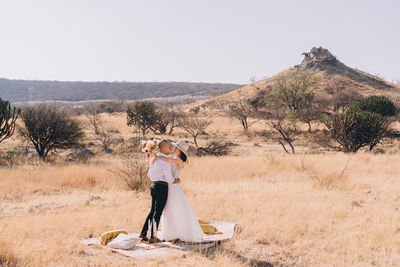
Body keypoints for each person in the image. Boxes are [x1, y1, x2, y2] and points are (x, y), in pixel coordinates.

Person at [152, 140, 205, 242]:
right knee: (169, 210)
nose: (173, 149)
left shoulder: (179, 160)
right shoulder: (175, 158)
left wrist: (157, 157)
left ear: (179, 150)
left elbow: (166, 160)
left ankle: (179, 233)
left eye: (175, 148)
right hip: (169, 186)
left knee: (175, 209)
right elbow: (165, 158)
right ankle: (171, 234)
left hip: (173, 188)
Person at [139, 140, 177, 243]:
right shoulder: (164, 161)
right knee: (158, 212)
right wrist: (176, 180)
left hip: (153, 185)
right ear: (164, 148)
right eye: (169, 147)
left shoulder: (154, 159)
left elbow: (149, 175)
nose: (171, 149)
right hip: (162, 187)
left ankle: (143, 233)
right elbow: (169, 179)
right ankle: (153, 236)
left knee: (152, 211)